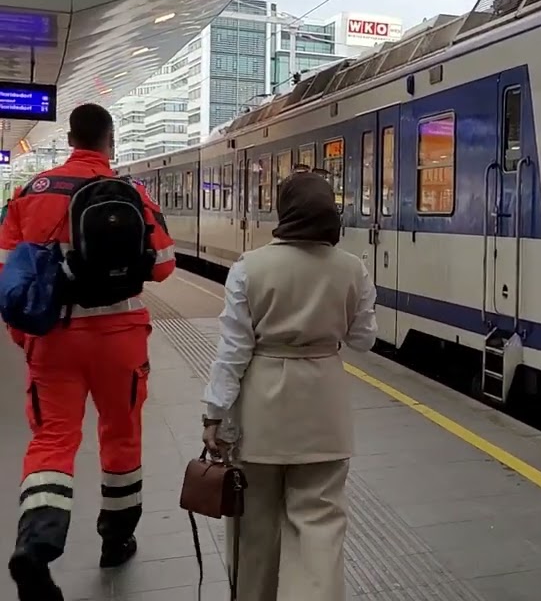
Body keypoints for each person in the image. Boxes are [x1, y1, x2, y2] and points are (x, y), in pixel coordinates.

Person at [0, 103, 176, 601]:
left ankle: (36, 547)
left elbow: (8, 274)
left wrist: (25, 334)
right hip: (120, 336)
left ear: (72, 137)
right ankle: (116, 539)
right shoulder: (131, 191)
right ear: (108, 140)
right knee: (121, 434)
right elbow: (163, 264)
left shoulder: (30, 193)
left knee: (53, 441)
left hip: (53, 338)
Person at [201, 172, 375, 601]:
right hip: (324, 413)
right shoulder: (353, 268)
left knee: (254, 526)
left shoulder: (249, 267)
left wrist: (214, 413)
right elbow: (363, 340)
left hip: (261, 415)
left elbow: (233, 351)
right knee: (319, 526)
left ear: (283, 211)